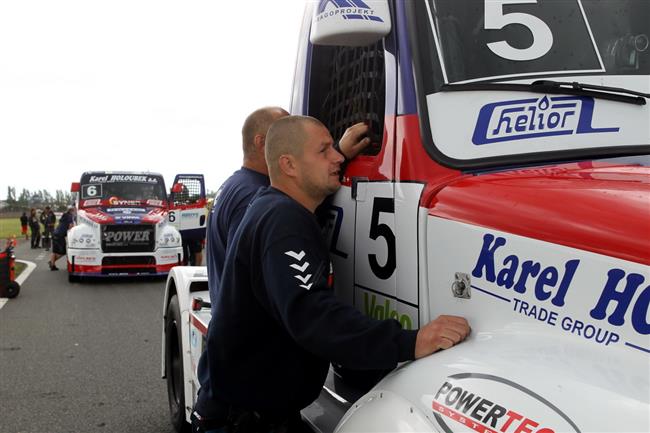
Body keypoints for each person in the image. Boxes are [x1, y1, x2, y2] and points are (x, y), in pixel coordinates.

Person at [191, 116, 471, 432]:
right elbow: (314, 317)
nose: (338, 157)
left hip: (256, 413)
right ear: (289, 165)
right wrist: (410, 341)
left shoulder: (273, 208)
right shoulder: (283, 223)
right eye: (324, 150)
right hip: (243, 422)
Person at [49, 206, 76, 271]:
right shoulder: (70, 216)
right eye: (74, 210)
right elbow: (70, 226)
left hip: (55, 233)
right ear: (71, 211)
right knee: (63, 252)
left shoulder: (64, 215)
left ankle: (52, 264)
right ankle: (51, 262)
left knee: (54, 251)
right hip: (60, 235)